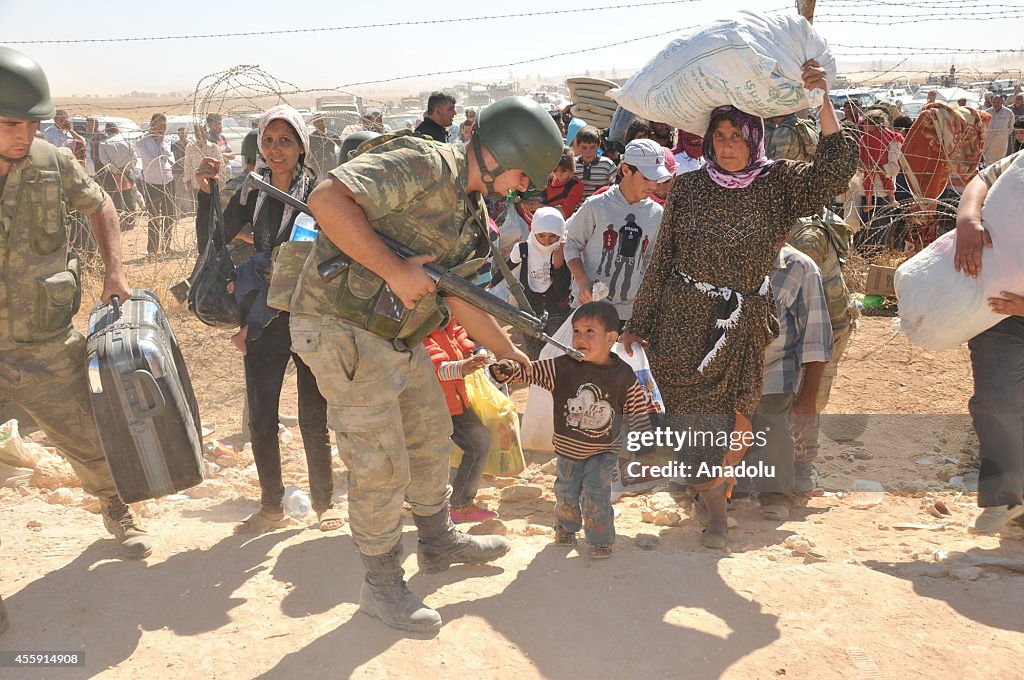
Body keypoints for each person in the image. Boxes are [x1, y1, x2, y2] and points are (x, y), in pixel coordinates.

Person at [287, 96, 563, 633]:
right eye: (519, 177)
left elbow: (461, 300)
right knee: (379, 462)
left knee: (432, 434)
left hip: (396, 332)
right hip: (338, 325)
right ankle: (381, 583)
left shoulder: (472, 214)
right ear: (501, 155)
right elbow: (326, 197)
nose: (519, 189)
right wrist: (393, 270)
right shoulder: (425, 163)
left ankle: (436, 540)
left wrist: (512, 356)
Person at [621, 61, 857, 550]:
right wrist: (638, 324)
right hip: (684, 321)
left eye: (736, 135)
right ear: (708, 141)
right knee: (689, 418)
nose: (727, 144)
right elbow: (663, 258)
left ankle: (716, 495)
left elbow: (835, 169)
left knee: (736, 419)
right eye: (719, 135)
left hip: (742, 325)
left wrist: (821, 99)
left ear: (754, 137)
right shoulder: (688, 187)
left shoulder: (779, 184)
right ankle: (713, 511)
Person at [0, 45, 150, 558]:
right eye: (9, 125)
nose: (23, 137)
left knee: (88, 436)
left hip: (44, 341)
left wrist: (114, 269)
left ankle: (115, 506)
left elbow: (101, 201)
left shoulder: (54, 162)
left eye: (31, 125)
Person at [193, 105, 339, 534]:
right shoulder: (251, 192)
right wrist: (206, 194)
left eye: (285, 141)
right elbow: (214, 240)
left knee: (314, 416)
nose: (276, 150)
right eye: (269, 141)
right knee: (261, 417)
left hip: (310, 315)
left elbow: (337, 249)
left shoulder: (320, 193)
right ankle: (271, 506)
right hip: (263, 320)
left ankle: (324, 503)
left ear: (301, 147)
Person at [490, 301, 656, 559]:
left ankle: (600, 539)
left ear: (612, 338)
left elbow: (636, 408)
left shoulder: (623, 375)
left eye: (590, 331)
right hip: (567, 450)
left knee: (596, 495)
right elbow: (532, 371)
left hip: (603, 452)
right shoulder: (563, 366)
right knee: (565, 493)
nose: (580, 337)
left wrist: (644, 443)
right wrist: (508, 371)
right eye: (576, 331)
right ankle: (566, 528)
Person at [953, 148, 1024, 534]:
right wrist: (968, 219)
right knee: (996, 402)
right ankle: (1005, 500)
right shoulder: (1020, 164)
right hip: (1000, 310)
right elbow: (982, 178)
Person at [743, 243, 832, 519]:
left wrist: (808, 396)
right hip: (732, 373)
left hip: (777, 370)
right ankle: (734, 491)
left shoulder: (801, 268)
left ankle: (777, 495)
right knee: (733, 432)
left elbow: (816, 336)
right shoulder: (730, 256)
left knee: (773, 429)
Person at [565, 138, 669, 323]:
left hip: (627, 313)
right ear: (626, 170)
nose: (653, 186)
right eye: (646, 178)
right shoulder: (597, 205)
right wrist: (582, 281)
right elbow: (571, 244)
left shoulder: (657, 214)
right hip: (588, 306)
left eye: (656, 179)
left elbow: (648, 258)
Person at [423, 317, 496, 523]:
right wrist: (463, 367)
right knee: (432, 457)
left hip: (455, 401)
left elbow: (459, 336)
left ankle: (459, 505)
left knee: (479, 443)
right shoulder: (417, 325)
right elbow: (431, 368)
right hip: (430, 405)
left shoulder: (443, 317)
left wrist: (476, 354)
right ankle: (436, 508)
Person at [504, 206, 572, 359]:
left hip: (558, 312)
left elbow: (562, 290)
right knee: (535, 356)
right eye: (541, 235)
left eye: (553, 236)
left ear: (560, 234)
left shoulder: (567, 251)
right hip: (530, 311)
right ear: (534, 232)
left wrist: (559, 260)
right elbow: (505, 270)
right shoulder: (523, 249)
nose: (546, 241)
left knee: (555, 355)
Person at [137, 113, 176, 255]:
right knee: (153, 217)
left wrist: (162, 147)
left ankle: (166, 247)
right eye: (160, 125)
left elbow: (170, 157)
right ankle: (152, 250)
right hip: (152, 182)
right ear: (152, 124)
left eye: (164, 125)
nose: (163, 128)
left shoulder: (167, 138)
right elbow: (150, 162)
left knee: (169, 215)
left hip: (168, 180)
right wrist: (164, 159)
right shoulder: (142, 141)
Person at [97, 121, 138, 219]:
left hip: (113, 175)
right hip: (127, 173)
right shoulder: (125, 141)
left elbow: (105, 160)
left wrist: (116, 171)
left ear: (107, 131)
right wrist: (127, 169)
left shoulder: (103, 143)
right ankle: (131, 220)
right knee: (129, 196)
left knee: (116, 198)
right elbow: (134, 157)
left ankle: (120, 220)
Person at [574, 125, 617, 199]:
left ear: (599, 145)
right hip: (576, 208)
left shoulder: (607, 164)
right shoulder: (572, 164)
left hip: (600, 207)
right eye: (584, 148)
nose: (588, 151)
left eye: (592, 147)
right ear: (577, 145)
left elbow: (614, 187)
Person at [543, 146, 584, 218]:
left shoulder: (576, 185)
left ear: (571, 168)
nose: (559, 175)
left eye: (564, 171)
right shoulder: (547, 180)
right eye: (555, 171)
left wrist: (539, 207)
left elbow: (565, 213)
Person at [308, 113, 341, 180]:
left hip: (331, 169)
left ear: (325, 122)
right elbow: (308, 154)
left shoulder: (332, 136)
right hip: (317, 170)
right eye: (317, 122)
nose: (320, 123)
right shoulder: (311, 137)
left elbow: (342, 148)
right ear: (314, 124)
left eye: (321, 121)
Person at [983, 95, 1015, 164]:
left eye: (998, 102)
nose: (996, 104)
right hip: (988, 141)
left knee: (1000, 161)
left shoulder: (1008, 112)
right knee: (987, 161)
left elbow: (1011, 127)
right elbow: (983, 125)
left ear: (1002, 102)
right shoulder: (987, 112)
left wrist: (1002, 134)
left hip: (1001, 141)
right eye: (994, 102)